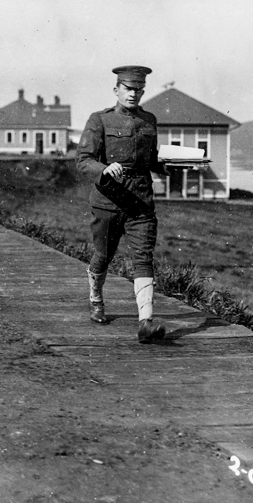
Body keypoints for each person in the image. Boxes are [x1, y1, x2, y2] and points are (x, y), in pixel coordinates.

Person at [76, 65, 171, 343]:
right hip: (108, 200)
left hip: (140, 200)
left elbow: (150, 159)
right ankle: (96, 298)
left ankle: (146, 323)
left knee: (143, 257)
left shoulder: (149, 120)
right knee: (104, 254)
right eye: (128, 89)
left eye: (139, 89)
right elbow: (83, 160)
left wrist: (172, 165)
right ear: (116, 89)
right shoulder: (99, 120)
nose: (134, 94)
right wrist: (104, 169)